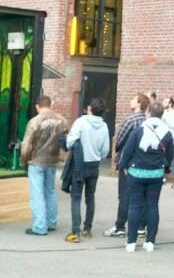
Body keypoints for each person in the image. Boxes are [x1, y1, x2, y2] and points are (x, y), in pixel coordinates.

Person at [119, 102, 174, 252]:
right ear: (162, 115)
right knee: (152, 206)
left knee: (135, 206)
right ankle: (150, 242)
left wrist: (123, 166)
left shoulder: (139, 131)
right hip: (156, 174)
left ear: (148, 113)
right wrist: (165, 168)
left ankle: (131, 242)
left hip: (136, 173)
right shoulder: (167, 133)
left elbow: (128, 151)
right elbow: (169, 155)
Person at [21, 95, 70, 236]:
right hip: (53, 159)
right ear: (50, 105)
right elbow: (66, 140)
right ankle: (52, 222)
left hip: (37, 160)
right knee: (50, 191)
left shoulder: (34, 121)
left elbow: (26, 144)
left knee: (37, 194)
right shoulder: (62, 120)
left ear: (37, 106)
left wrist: (24, 159)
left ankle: (39, 226)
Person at [63, 98, 110, 243]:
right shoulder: (104, 126)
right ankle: (87, 229)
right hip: (94, 165)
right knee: (90, 197)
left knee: (76, 198)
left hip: (80, 164)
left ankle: (75, 232)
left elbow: (70, 141)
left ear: (89, 108)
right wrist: (99, 157)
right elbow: (105, 150)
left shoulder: (81, 122)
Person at [105, 93, 150, 238]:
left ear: (139, 103)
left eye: (133, 99)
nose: (130, 101)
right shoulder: (147, 120)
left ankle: (120, 226)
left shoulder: (131, 120)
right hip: (143, 162)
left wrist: (118, 152)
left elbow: (119, 140)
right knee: (141, 195)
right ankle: (141, 226)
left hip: (128, 161)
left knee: (124, 195)